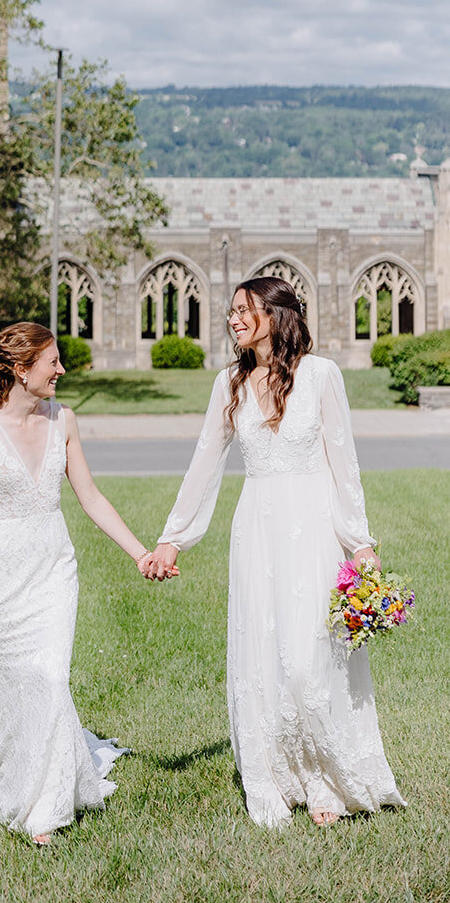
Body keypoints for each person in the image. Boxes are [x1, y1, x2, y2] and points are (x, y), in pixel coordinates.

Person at [144, 275, 405, 829]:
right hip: (256, 532)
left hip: (312, 529)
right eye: (231, 311)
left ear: (277, 314)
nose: (234, 319)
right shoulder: (228, 384)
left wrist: (359, 543)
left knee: (312, 659)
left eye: (245, 310)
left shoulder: (321, 376)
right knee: (265, 656)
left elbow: (344, 464)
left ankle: (326, 778)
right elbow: (204, 464)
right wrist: (173, 536)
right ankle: (277, 777)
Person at [0, 321, 165, 845]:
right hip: (1, 575)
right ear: (22, 370)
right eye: (53, 363)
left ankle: (42, 808)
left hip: (53, 570)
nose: (62, 371)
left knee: (49, 677)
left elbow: (90, 497)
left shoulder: (64, 419)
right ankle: (22, 769)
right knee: (18, 680)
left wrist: (140, 553)